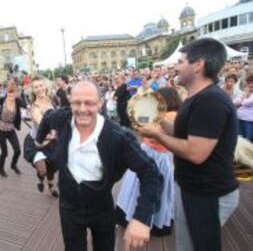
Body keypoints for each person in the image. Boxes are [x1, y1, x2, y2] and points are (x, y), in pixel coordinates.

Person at [35, 80, 162, 251]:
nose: (82, 109)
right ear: (70, 102)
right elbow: (47, 118)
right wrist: (38, 139)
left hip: (102, 207)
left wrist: (141, 218)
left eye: (89, 103)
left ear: (100, 104)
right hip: (69, 207)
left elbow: (150, 173)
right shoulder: (62, 119)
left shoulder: (118, 137)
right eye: (76, 103)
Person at [138, 38, 239, 251]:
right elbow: (185, 135)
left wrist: (158, 135)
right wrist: (159, 121)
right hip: (193, 189)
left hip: (208, 193)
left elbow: (196, 153)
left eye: (181, 61)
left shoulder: (210, 101)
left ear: (198, 64)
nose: (176, 66)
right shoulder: (198, 98)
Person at [115, 87, 182, 236]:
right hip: (155, 153)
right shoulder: (171, 115)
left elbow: (149, 131)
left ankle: (138, 218)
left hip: (156, 154)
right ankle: (152, 221)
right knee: (155, 189)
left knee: (143, 188)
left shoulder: (170, 116)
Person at [24, 76, 59, 197]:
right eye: (36, 87)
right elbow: (44, 130)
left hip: (52, 141)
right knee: (42, 170)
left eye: (41, 85)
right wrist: (58, 134)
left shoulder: (52, 100)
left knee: (52, 167)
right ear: (33, 90)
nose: (39, 89)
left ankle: (51, 187)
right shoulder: (35, 109)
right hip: (37, 142)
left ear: (45, 86)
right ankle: (40, 179)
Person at [0, 81, 27, 177]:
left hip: (11, 129)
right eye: (9, 94)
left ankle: (13, 165)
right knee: (4, 152)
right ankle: (0, 169)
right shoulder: (3, 99)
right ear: (7, 93)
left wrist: (23, 95)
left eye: (13, 94)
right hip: (1, 129)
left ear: (15, 94)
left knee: (17, 150)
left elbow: (25, 105)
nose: (11, 96)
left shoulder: (17, 101)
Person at [234, 74, 253, 142]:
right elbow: (235, 102)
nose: (251, 85)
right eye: (249, 83)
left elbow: (245, 103)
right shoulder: (244, 92)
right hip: (239, 117)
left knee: (248, 140)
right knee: (239, 138)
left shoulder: (246, 93)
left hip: (250, 121)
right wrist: (244, 96)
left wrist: (244, 96)